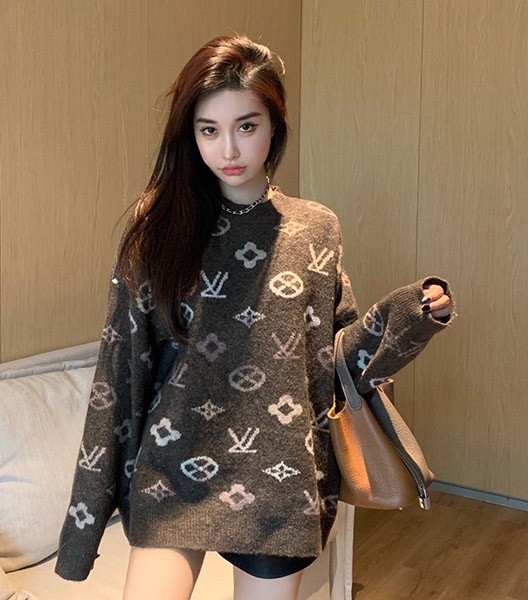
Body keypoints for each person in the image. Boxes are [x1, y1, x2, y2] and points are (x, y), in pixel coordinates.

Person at [55, 34, 455, 599]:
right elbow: (118, 378)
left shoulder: (315, 229)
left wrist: (410, 316)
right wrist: (83, 531)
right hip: (172, 471)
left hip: (279, 484)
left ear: (275, 126)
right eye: (208, 130)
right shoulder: (158, 230)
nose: (229, 149)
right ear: (190, 134)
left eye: (246, 126)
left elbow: (338, 365)